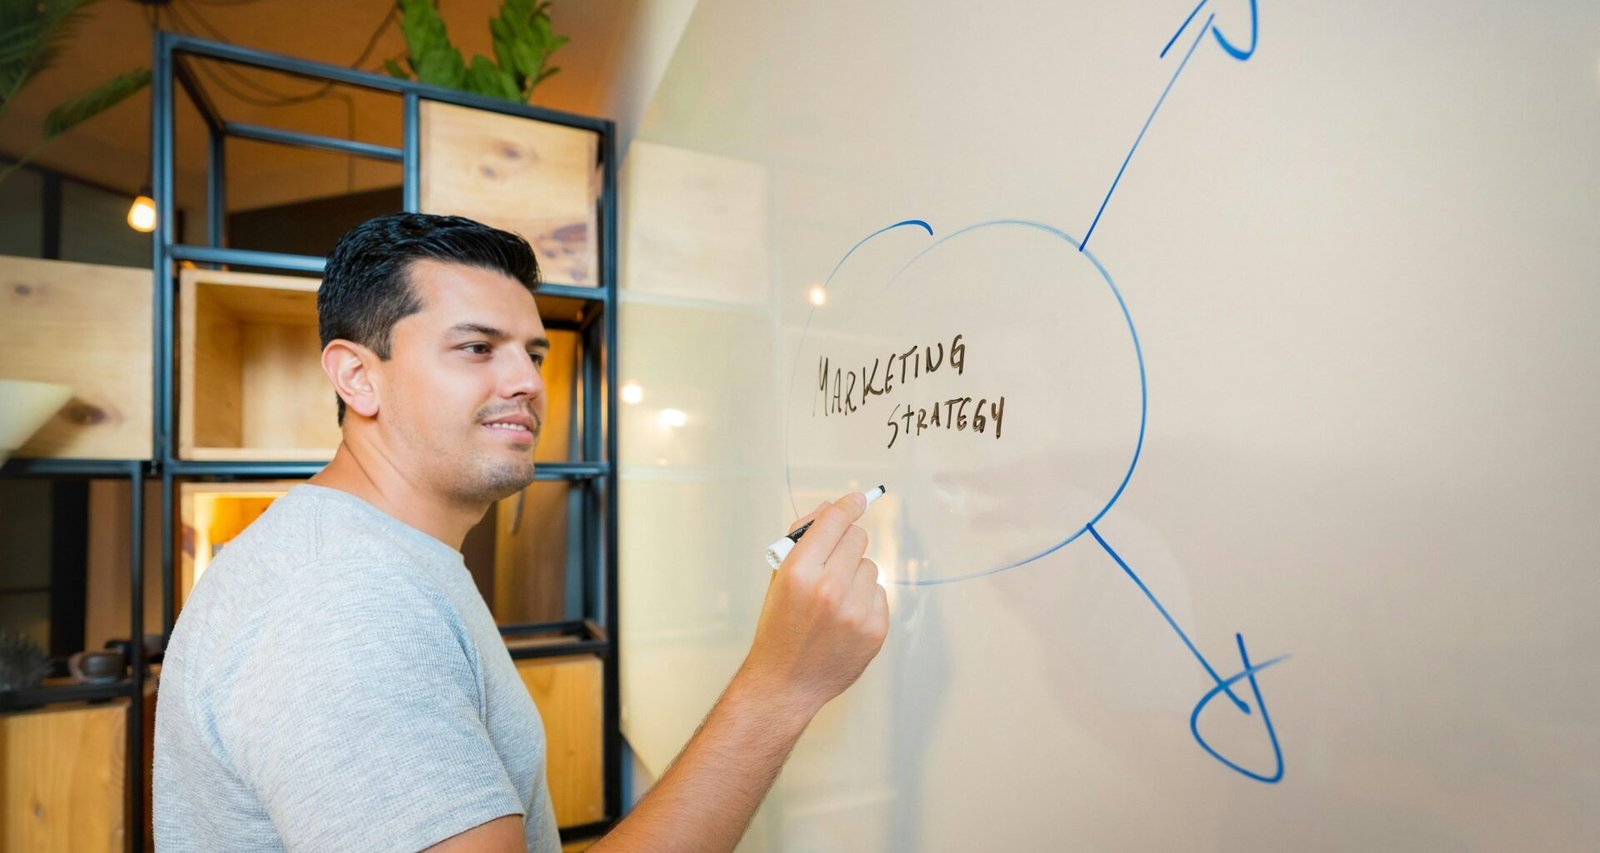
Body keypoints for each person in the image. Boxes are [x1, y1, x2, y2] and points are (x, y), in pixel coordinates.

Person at [152, 212, 889, 852]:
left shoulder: (371, 561)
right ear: (357, 376)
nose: (529, 382)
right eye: (477, 347)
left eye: (533, 353)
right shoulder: (342, 605)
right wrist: (780, 685)